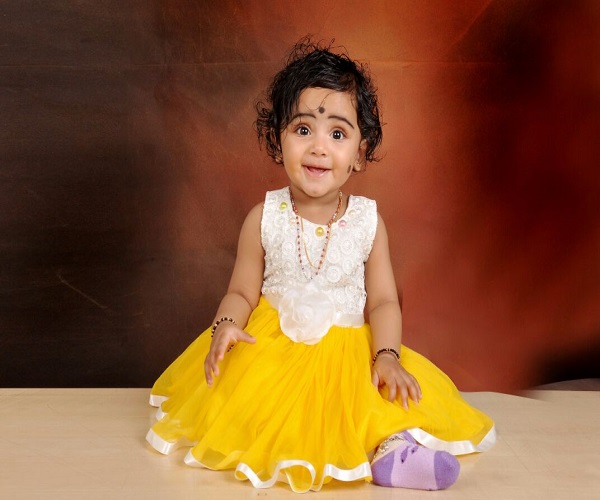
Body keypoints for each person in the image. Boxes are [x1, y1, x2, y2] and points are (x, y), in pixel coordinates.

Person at [145, 39, 496, 493]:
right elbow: (241, 292)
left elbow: (383, 301)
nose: (318, 148)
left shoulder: (368, 222)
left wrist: (387, 356)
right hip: (273, 351)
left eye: (337, 134)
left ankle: (392, 452)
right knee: (259, 406)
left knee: (375, 398)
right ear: (277, 140)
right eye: (303, 129)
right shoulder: (263, 217)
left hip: (347, 353)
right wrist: (226, 324)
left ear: (360, 153)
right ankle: (281, 444)